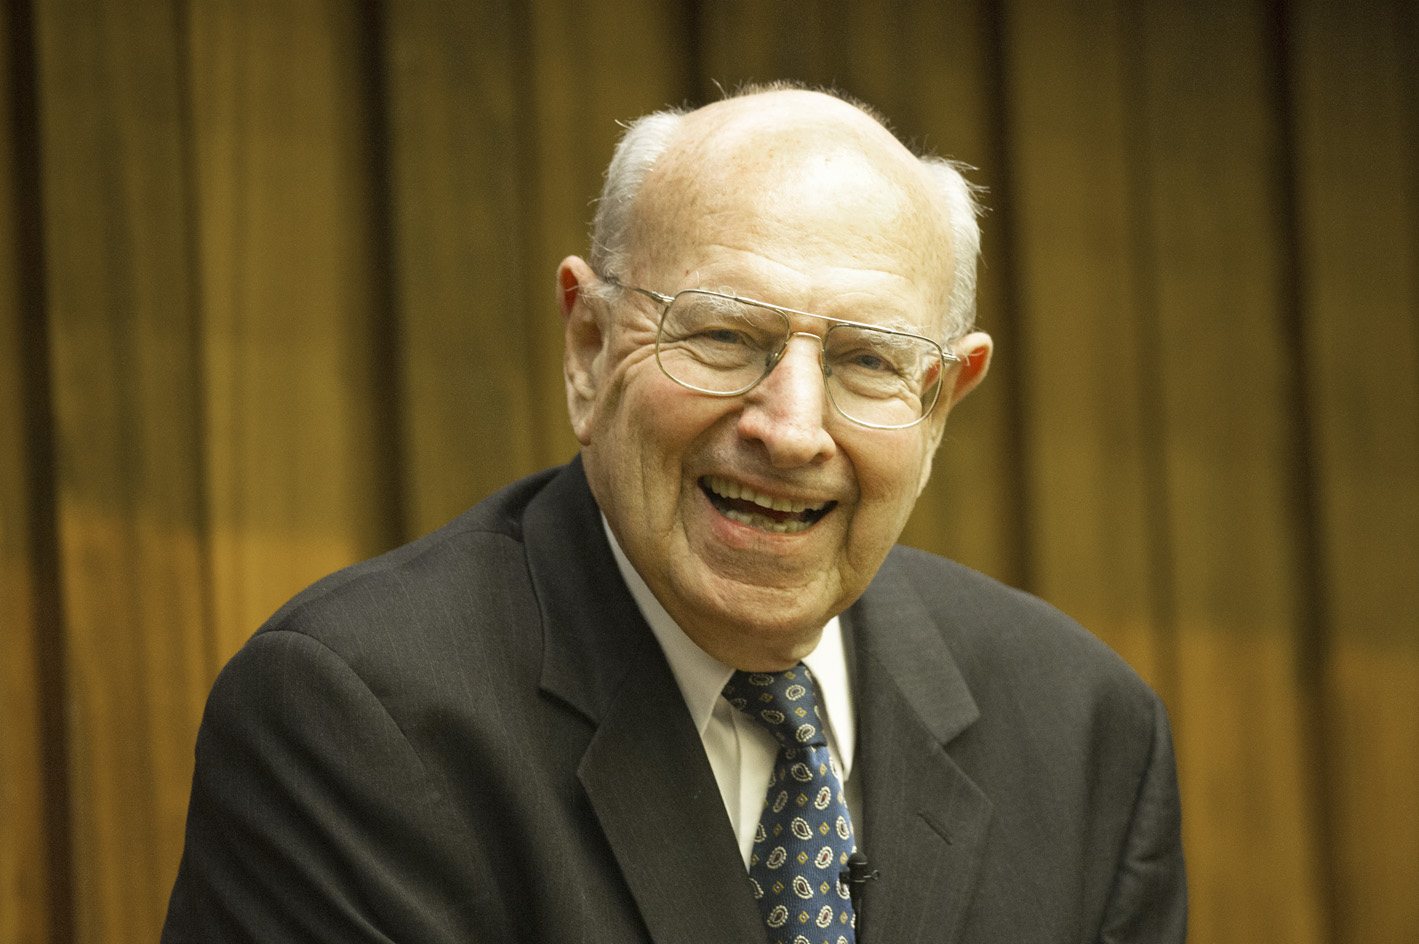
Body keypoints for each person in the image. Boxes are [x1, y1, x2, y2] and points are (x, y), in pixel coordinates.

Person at [162, 83, 1186, 943]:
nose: (791, 428)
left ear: (939, 403)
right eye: (724, 336)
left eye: (867, 359)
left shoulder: (1085, 734)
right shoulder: (356, 719)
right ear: (589, 347)